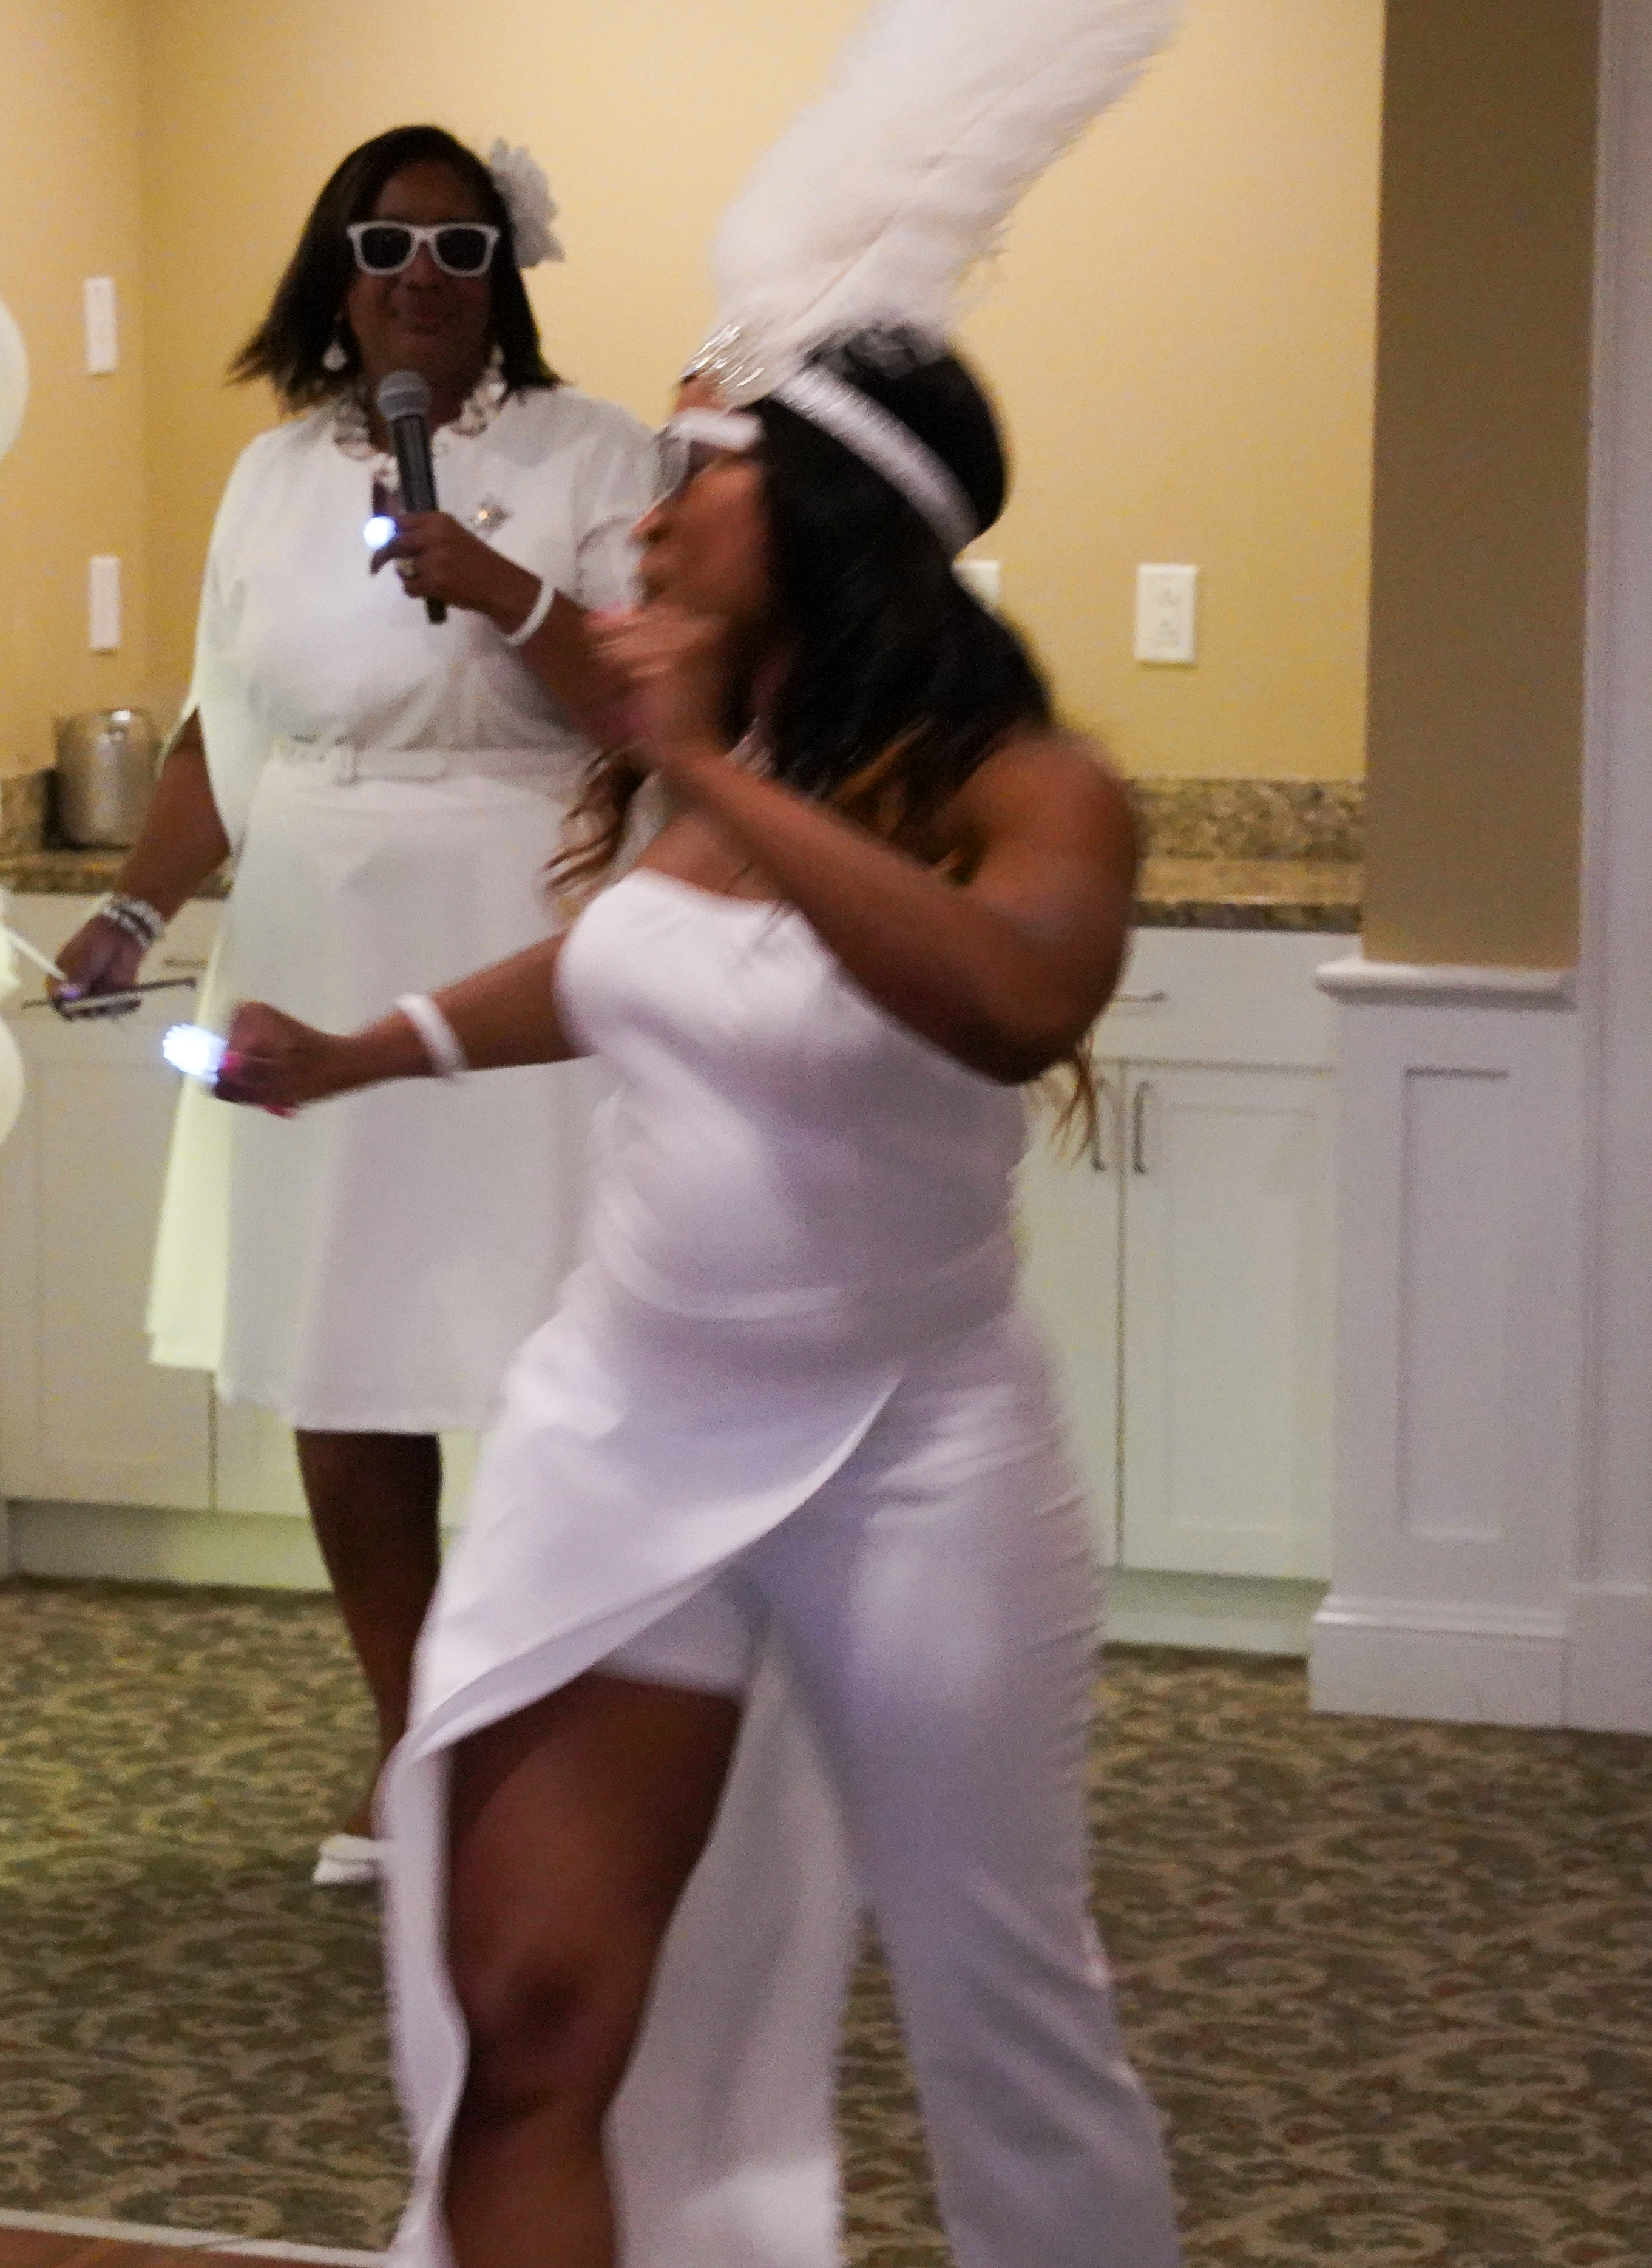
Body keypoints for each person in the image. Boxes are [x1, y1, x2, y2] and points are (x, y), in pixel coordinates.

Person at [215, 333, 1183, 2268]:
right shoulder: (730, 761)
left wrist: (705, 762)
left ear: (831, 512)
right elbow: (627, 968)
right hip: (627, 1425)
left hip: (915, 1447)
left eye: (695, 477)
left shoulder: (1027, 785)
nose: (647, 523)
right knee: (533, 2009)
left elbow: (1014, 1000)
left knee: (999, 2000)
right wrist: (361, 1048)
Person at [52, 124, 651, 1885]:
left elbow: (654, 714)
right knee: (346, 1350)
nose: (421, 279)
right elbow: (219, 729)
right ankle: (417, 1738)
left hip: (522, 927)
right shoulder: (269, 475)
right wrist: (135, 909)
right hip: (315, 928)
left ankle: (565, 1734)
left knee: (555, 1355)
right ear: (337, 267)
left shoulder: (595, 453)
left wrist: (505, 585)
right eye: (388, 245)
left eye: (462, 249)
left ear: (505, 277)